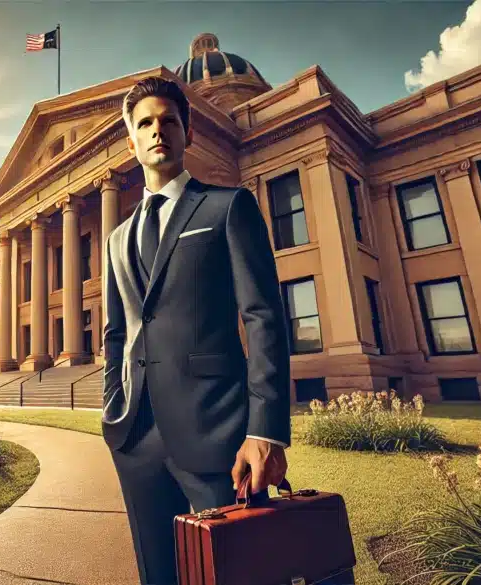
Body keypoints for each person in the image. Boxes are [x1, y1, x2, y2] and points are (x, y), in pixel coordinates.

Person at [102, 76, 291, 585]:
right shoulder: (116, 239)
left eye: (169, 120)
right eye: (145, 123)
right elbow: (115, 333)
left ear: (187, 133)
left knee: (244, 574)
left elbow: (264, 317)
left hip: (219, 433)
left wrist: (265, 429)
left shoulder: (227, 207)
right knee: (157, 575)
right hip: (135, 435)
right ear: (132, 139)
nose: (157, 130)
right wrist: (112, 408)